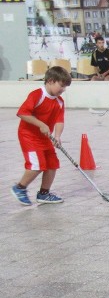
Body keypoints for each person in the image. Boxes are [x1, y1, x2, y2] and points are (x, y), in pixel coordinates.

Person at [11, 66, 72, 206]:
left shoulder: (59, 101)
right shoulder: (37, 95)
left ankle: (44, 193)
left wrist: (57, 136)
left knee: (52, 164)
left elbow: (59, 120)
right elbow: (22, 113)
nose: (63, 90)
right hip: (29, 136)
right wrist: (40, 124)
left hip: (45, 138)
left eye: (65, 87)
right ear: (50, 81)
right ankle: (19, 188)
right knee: (37, 165)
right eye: (61, 86)